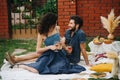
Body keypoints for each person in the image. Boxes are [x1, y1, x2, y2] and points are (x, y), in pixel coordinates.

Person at [6, 12, 86, 74]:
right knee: (40, 55)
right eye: (55, 22)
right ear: (49, 23)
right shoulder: (42, 33)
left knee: (40, 58)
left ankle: (16, 59)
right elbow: (38, 50)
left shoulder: (57, 28)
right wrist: (50, 47)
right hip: (49, 52)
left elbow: (59, 41)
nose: (56, 24)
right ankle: (16, 59)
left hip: (59, 52)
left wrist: (63, 43)